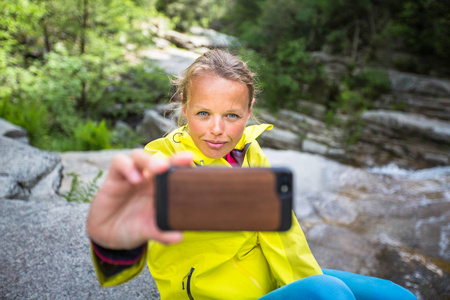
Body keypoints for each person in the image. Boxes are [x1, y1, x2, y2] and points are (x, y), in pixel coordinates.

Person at [86, 49, 416, 300]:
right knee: (327, 292)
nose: (217, 130)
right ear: (184, 106)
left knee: (394, 294)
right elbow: (128, 239)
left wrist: (304, 281)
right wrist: (114, 247)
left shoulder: (250, 152)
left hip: (272, 280)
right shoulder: (161, 160)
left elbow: (286, 238)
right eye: (204, 113)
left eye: (231, 115)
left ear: (249, 110)